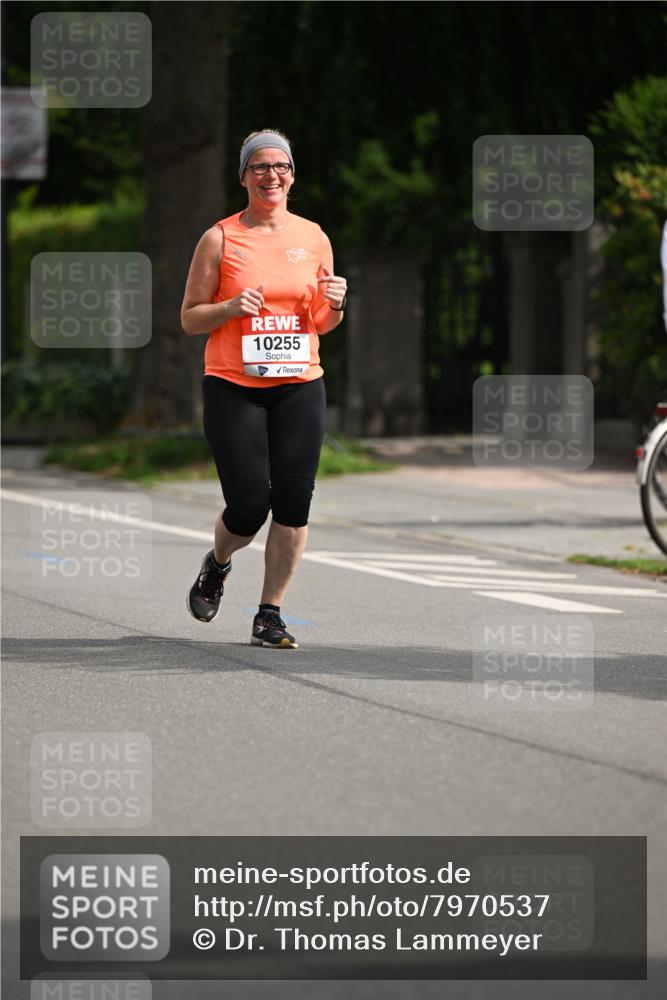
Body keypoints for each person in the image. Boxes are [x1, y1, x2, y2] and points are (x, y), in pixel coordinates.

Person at [180, 129, 347, 649]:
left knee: (294, 500)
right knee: (250, 506)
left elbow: (319, 322)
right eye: (259, 166)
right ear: (244, 176)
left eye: (280, 166)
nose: (271, 175)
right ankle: (219, 563)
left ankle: (269, 613)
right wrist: (229, 308)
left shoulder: (314, 236)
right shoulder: (220, 238)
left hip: (300, 383)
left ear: (292, 174)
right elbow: (189, 318)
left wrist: (336, 304)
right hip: (235, 386)